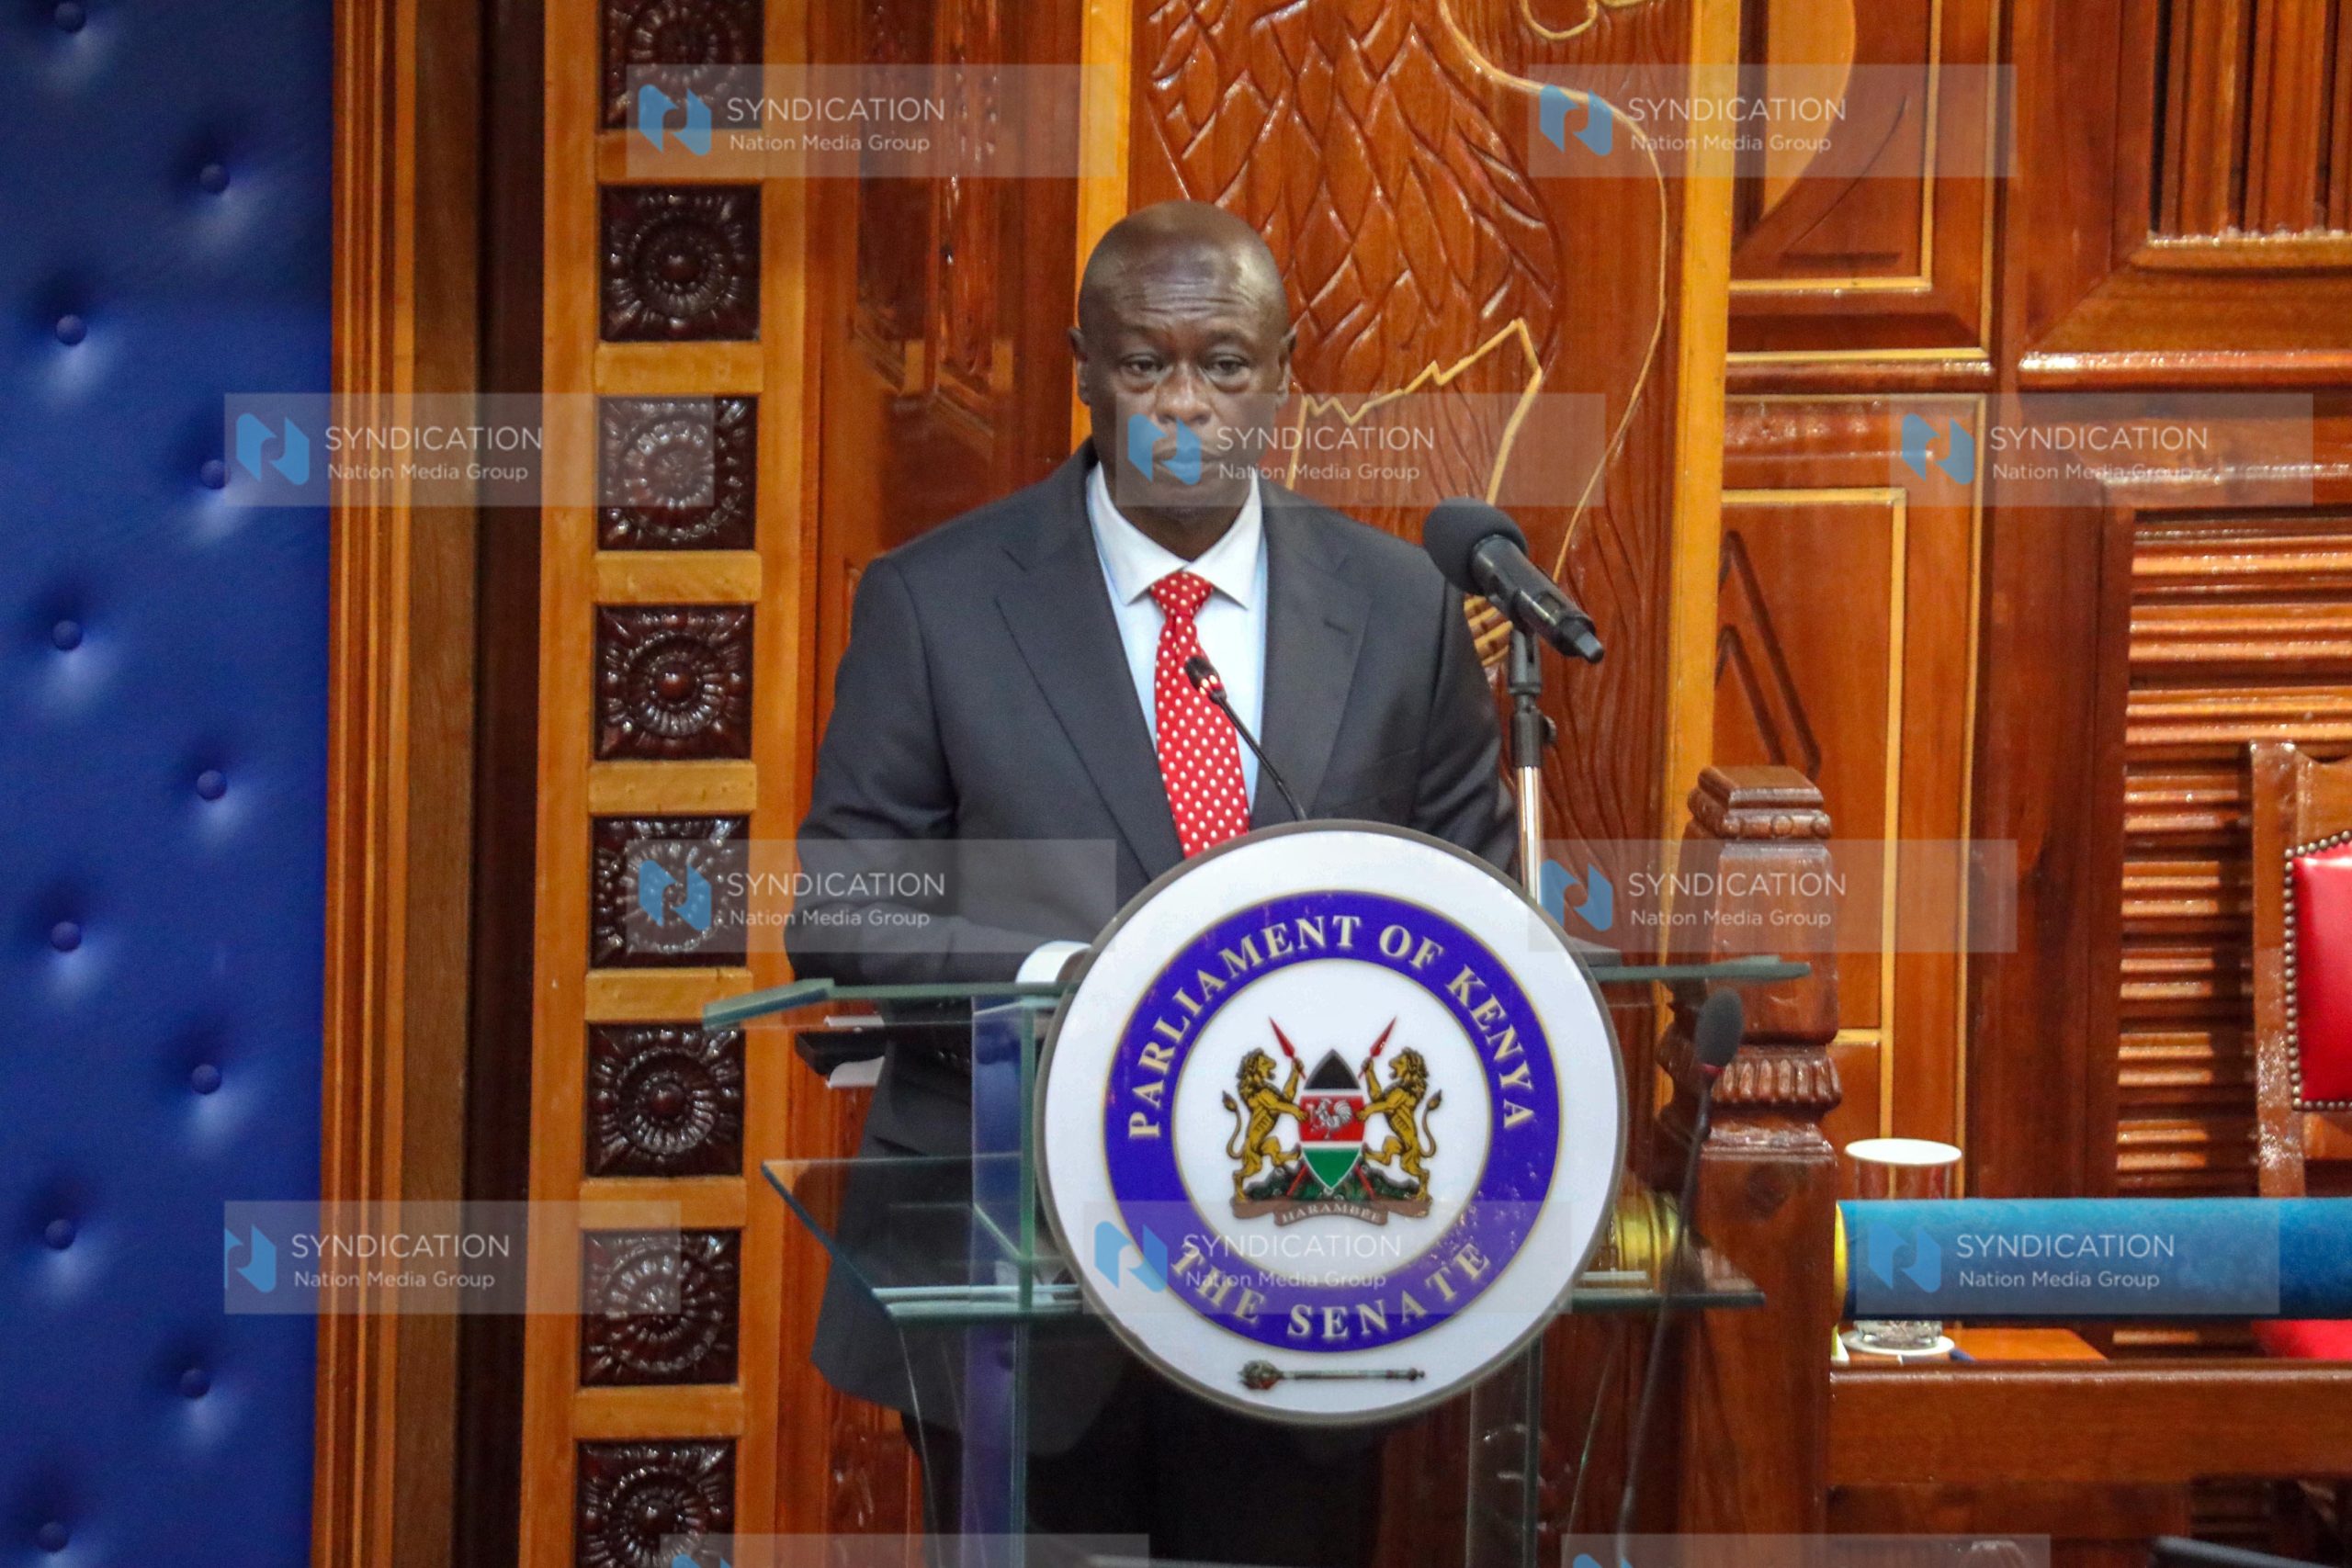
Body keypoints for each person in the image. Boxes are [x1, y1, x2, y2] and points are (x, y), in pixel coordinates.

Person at [788, 199, 1515, 1566]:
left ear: (1284, 379)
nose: (1185, 403)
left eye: (1225, 365)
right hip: (1013, 1276)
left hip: (1307, 1264)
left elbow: (1477, 914)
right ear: (1082, 369)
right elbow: (842, 907)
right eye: (1144, 363)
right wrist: (1083, 983)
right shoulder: (936, 603)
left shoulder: (1402, 609)